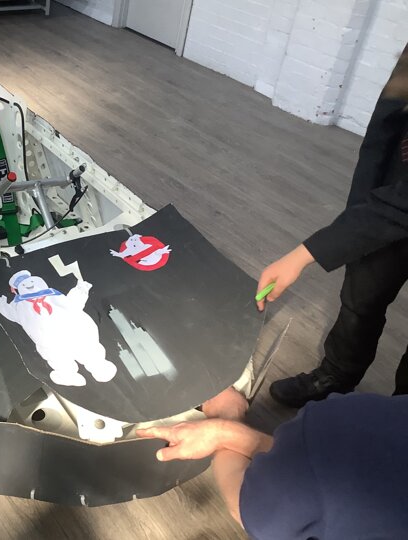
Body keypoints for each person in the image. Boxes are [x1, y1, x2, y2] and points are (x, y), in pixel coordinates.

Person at [256, 44, 408, 408]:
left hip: (401, 200)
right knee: (361, 295)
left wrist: (302, 255)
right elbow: (384, 129)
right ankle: (337, 375)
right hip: (391, 188)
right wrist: (358, 213)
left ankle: (400, 417)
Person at [139, 388, 408, 539]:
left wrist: (224, 419)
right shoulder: (352, 424)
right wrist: (223, 431)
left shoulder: (345, 418)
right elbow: (312, 462)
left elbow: (246, 504)